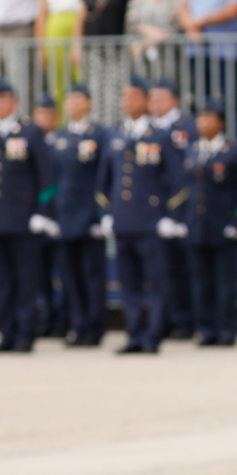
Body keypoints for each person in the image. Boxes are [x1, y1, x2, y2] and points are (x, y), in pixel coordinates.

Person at [0, 79, 58, 353]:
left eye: (2, 99)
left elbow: (47, 176)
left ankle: (25, 333)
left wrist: (42, 212)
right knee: (0, 281)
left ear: (13, 102)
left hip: (22, 220)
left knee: (25, 281)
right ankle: (6, 332)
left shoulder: (30, 131)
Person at [98, 76, 184, 354]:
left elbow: (178, 180)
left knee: (156, 282)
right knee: (128, 283)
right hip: (123, 221)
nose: (127, 102)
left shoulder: (160, 135)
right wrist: (107, 213)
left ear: (146, 101)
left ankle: (153, 335)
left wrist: (169, 215)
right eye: (124, 98)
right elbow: (104, 181)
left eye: (133, 97)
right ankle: (134, 333)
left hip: (150, 222)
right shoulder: (117, 136)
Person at [182, 98, 237, 347]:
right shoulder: (193, 150)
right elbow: (186, 188)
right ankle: (206, 330)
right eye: (200, 118)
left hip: (223, 226)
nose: (203, 123)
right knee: (200, 283)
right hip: (197, 225)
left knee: (225, 284)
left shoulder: (233, 150)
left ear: (221, 123)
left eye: (209, 118)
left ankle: (227, 329)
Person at [51, 84, 108, 347]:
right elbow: (54, 178)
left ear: (89, 104)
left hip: (89, 216)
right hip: (65, 216)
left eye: (78, 100)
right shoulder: (60, 138)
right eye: (69, 101)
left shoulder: (99, 135)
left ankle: (95, 327)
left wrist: (101, 214)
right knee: (69, 276)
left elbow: (104, 177)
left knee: (92, 275)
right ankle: (78, 325)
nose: (73, 105)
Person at [148, 80, 196, 339]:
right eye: (151, 97)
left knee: (183, 269)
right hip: (154, 211)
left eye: (160, 97)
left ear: (174, 100)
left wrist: (177, 213)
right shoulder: (149, 129)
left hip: (184, 208)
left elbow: (186, 173)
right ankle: (165, 320)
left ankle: (187, 321)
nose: (154, 102)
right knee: (161, 271)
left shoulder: (187, 127)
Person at [33, 94, 65, 338]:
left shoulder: (63, 141)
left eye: (48, 114)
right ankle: (45, 319)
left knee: (64, 275)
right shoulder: (29, 141)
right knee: (38, 276)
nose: (44, 119)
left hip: (61, 219)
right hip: (35, 220)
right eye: (40, 114)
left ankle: (64, 320)